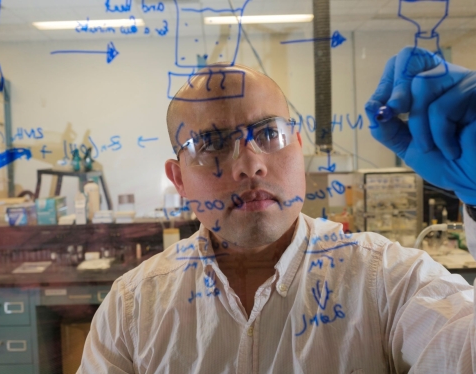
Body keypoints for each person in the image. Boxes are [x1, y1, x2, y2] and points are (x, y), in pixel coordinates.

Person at [78, 48, 476, 373]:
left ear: (297, 146)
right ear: (178, 179)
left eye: (270, 133)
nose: (250, 165)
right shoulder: (132, 307)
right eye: (214, 143)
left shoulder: (386, 281)